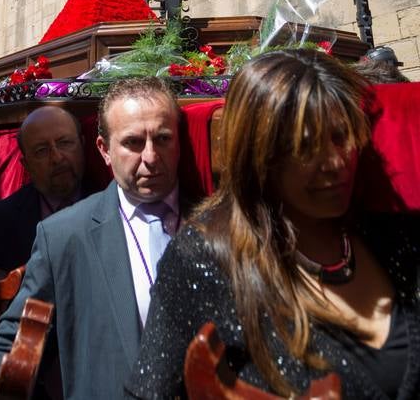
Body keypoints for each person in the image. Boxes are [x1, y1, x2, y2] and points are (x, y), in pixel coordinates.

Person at [126, 50, 420, 400]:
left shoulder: (392, 236)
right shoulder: (205, 257)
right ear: (258, 155)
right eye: (305, 145)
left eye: (341, 137)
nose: (335, 162)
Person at [0, 76, 186, 400]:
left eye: (163, 138)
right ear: (104, 150)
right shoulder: (64, 236)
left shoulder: (218, 225)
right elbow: (17, 343)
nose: (151, 157)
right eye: (133, 143)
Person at [0, 106, 87, 341]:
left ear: (83, 145)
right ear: (26, 165)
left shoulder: (117, 207)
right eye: (41, 151)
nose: (57, 158)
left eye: (65, 143)